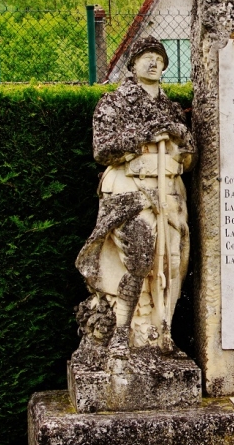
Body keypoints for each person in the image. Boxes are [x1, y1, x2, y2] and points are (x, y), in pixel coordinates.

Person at [76, 35, 195, 357]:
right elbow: (102, 149)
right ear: (133, 64)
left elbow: (189, 156)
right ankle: (121, 334)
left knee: (172, 265)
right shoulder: (114, 103)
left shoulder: (171, 108)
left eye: (159, 58)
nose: (154, 62)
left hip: (170, 191)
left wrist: (181, 137)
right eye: (147, 57)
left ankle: (160, 334)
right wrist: (146, 134)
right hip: (132, 190)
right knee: (140, 259)